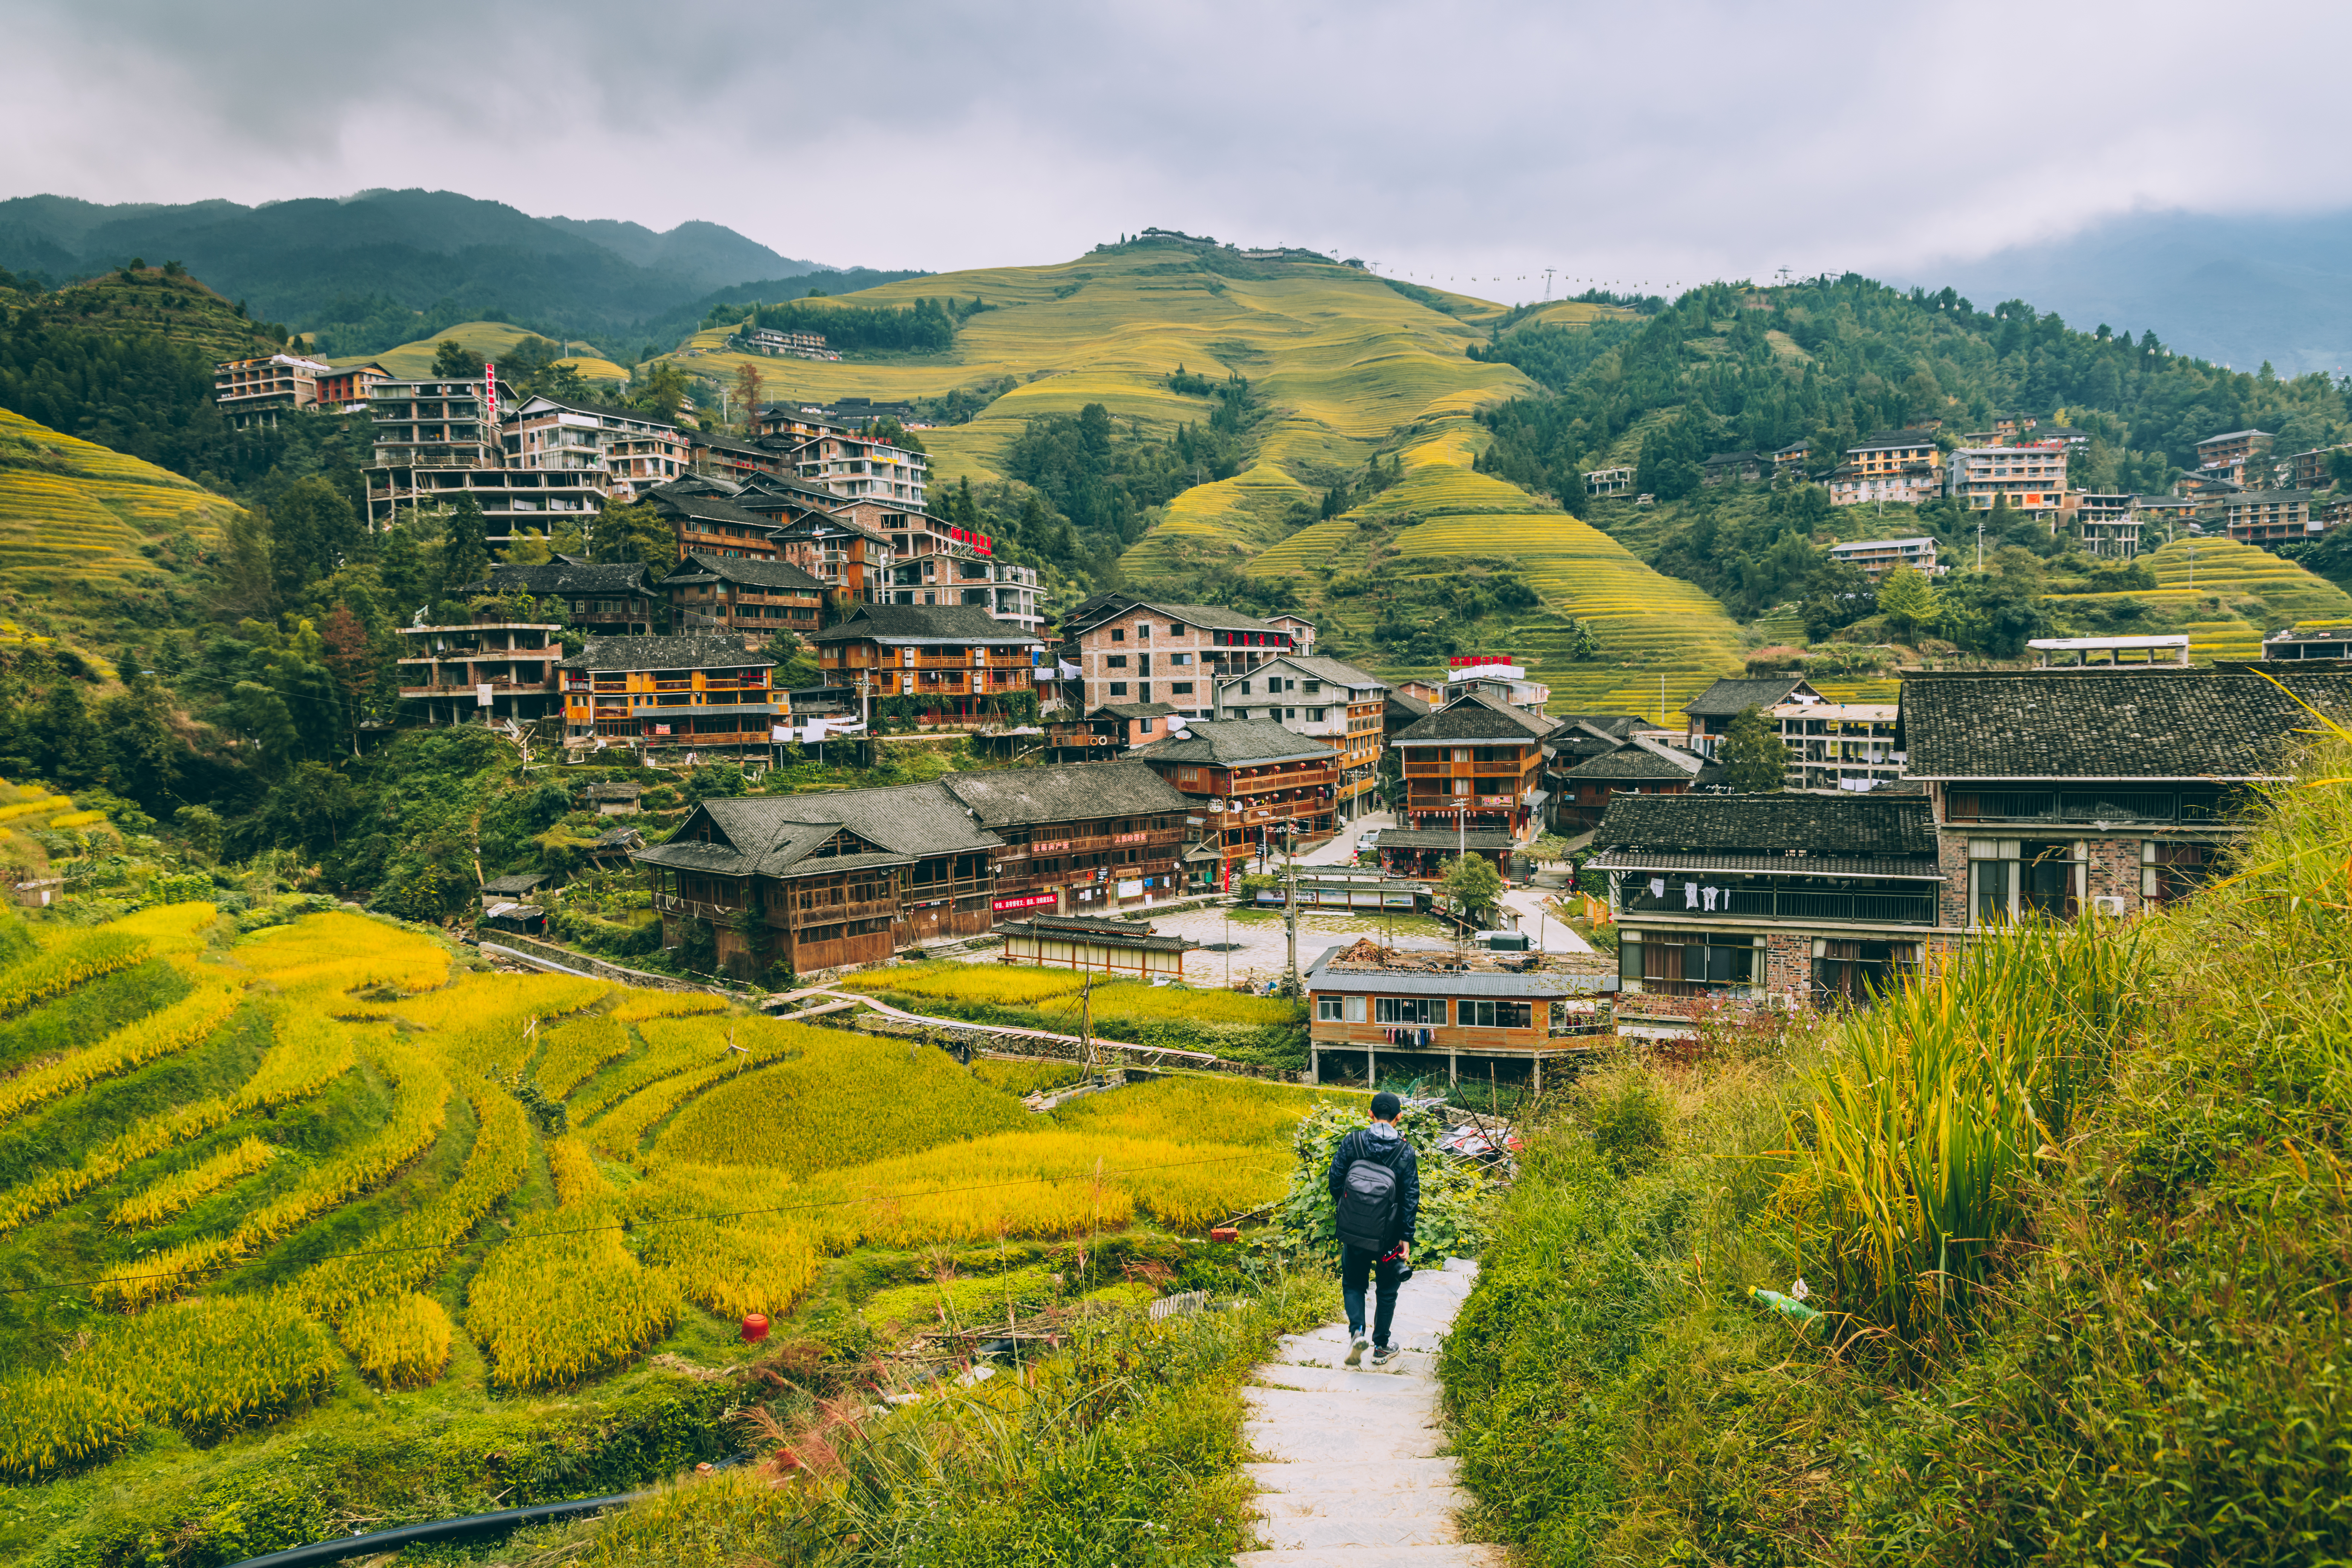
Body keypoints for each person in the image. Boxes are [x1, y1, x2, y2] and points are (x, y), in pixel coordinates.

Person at [1327, 1090, 1420, 1367]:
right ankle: (1381, 1346)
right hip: (1389, 1236)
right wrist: (1405, 1236)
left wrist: (1353, 1212)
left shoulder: (1353, 1141)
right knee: (1387, 1290)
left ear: (1370, 1115)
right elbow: (1410, 1197)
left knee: (1354, 1284)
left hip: (1354, 1230)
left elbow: (1335, 1181)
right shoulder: (1405, 1151)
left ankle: (1357, 1332)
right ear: (1399, 1117)